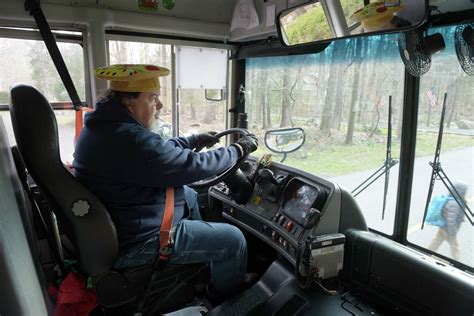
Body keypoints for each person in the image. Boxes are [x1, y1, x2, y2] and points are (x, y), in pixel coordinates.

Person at [73, 64, 259, 298]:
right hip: (140, 242)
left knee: (189, 195)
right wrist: (238, 150)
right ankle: (220, 294)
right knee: (234, 240)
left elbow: (158, 151)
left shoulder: (103, 127)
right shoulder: (129, 139)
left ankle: (201, 267)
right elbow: (194, 166)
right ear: (129, 101)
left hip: (125, 224)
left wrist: (193, 140)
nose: (159, 105)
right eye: (153, 98)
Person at [427, 182, 468, 261]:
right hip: (448, 229)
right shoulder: (455, 203)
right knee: (455, 247)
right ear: (461, 192)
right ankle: (458, 262)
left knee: (436, 241)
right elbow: (451, 220)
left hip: (443, 227)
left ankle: (427, 252)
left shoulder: (452, 200)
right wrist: (452, 232)